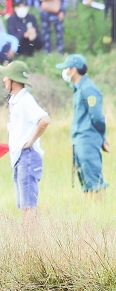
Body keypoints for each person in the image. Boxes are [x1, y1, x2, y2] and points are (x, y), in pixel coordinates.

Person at [0, 60, 49, 217]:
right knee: (24, 206)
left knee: (29, 206)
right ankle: (27, 238)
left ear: (14, 80)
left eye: (6, 76)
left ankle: (31, 239)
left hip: (27, 156)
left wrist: (31, 141)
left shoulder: (26, 101)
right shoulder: (16, 100)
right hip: (20, 157)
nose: (4, 79)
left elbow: (44, 120)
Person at [59, 54, 108, 196]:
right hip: (80, 140)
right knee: (86, 182)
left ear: (74, 70)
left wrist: (102, 137)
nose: (65, 72)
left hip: (88, 139)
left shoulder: (89, 89)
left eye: (67, 68)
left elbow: (97, 117)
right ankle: (88, 215)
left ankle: (99, 215)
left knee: (95, 182)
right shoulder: (78, 88)